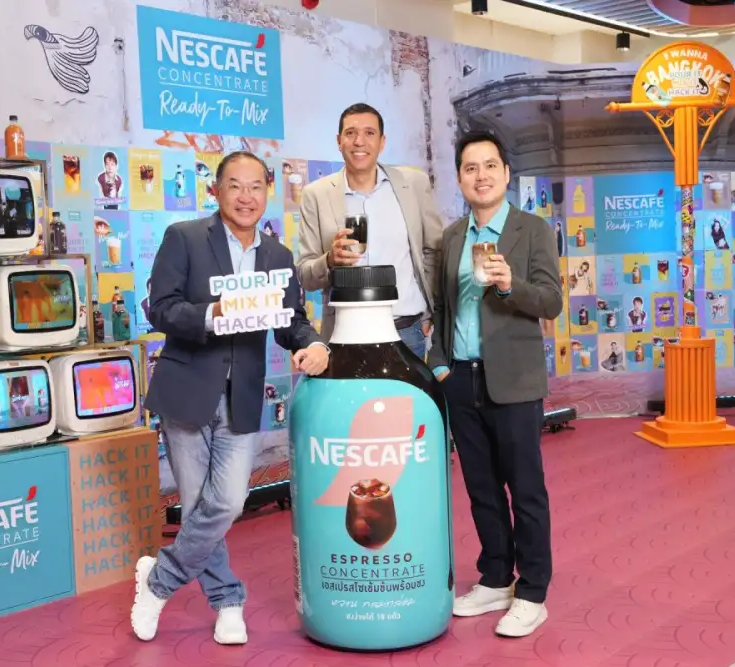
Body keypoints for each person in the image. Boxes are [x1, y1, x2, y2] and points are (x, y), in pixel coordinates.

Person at [130, 151, 330, 646]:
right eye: (235, 186)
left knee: (228, 502)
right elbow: (160, 308)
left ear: (267, 192)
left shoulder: (277, 256)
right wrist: (210, 315)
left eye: (255, 187)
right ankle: (227, 600)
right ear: (216, 190)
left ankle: (158, 581)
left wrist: (313, 344)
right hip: (187, 388)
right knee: (198, 504)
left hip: (242, 395)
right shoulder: (184, 237)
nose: (246, 196)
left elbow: (291, 321)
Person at [428, 130, 562, 638]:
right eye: (470, 168)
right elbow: (442, 309)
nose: (480, 176)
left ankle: (532, 591)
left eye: (489, 166)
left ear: (506, 174)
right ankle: (495, 577)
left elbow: (551, 301)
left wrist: (510, 284)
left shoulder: (532, 229)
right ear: (460, 178)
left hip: (514, 380)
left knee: (525, 489)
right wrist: (440, 366)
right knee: (481, 488)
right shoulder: (452, 237)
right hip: (460, 379)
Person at [296, 103, 443, 358]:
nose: (359, 141)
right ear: (339, 141)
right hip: (344, 333)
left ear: (382, 142)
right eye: (350, 133)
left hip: (406, 331)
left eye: (369, 133)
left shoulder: (413, 184)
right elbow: (305, 275)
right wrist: (330, 260)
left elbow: (434, 250)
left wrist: (428, 312)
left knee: (408, 389)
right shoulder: (316, 195)